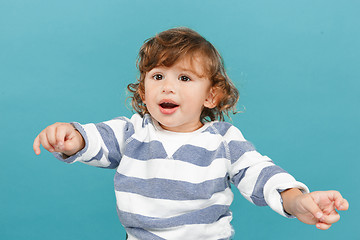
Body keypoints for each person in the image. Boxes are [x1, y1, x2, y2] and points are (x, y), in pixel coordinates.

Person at [33, 27, 349, 240]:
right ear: (143, 92)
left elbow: (261, 173)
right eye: (157, 76)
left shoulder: (223, 141)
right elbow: (94, 140)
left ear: (211, 96)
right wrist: (70, 137)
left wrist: (298, 201)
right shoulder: (132, 132)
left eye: (184, 78)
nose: (167, 86)